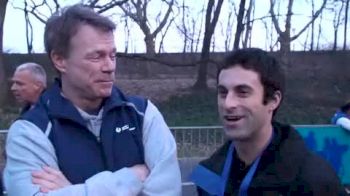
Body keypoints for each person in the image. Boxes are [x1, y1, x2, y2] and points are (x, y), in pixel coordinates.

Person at [3, 4, 181, 196]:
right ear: (60, 60)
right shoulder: (29, 132)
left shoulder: (143, 115)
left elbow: (168, 191)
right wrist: (129, 179)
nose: (110, 66)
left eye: (113, 55)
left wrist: (70, 190)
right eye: (97, 56)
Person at [190, 48, 345, 195]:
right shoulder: (209, 173)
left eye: (243, 92)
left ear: (273, 100)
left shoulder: (313, 181)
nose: (228, 104)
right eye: (223, 92)